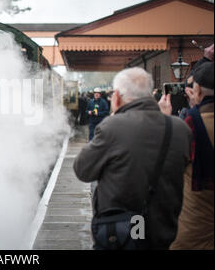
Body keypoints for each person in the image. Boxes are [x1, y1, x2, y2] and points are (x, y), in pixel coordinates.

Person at [74, 67, 192, 249]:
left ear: (118, 97)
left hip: (119, 230)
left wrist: (113, 117)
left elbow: (82, 170)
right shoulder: (180, 129)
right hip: (163, 228)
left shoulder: (112, 126)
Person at [170, 62, 214, 250]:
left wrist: (166, 120)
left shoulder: (188, 127)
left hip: (195, 227)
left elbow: (166, 170)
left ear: (196, 89)